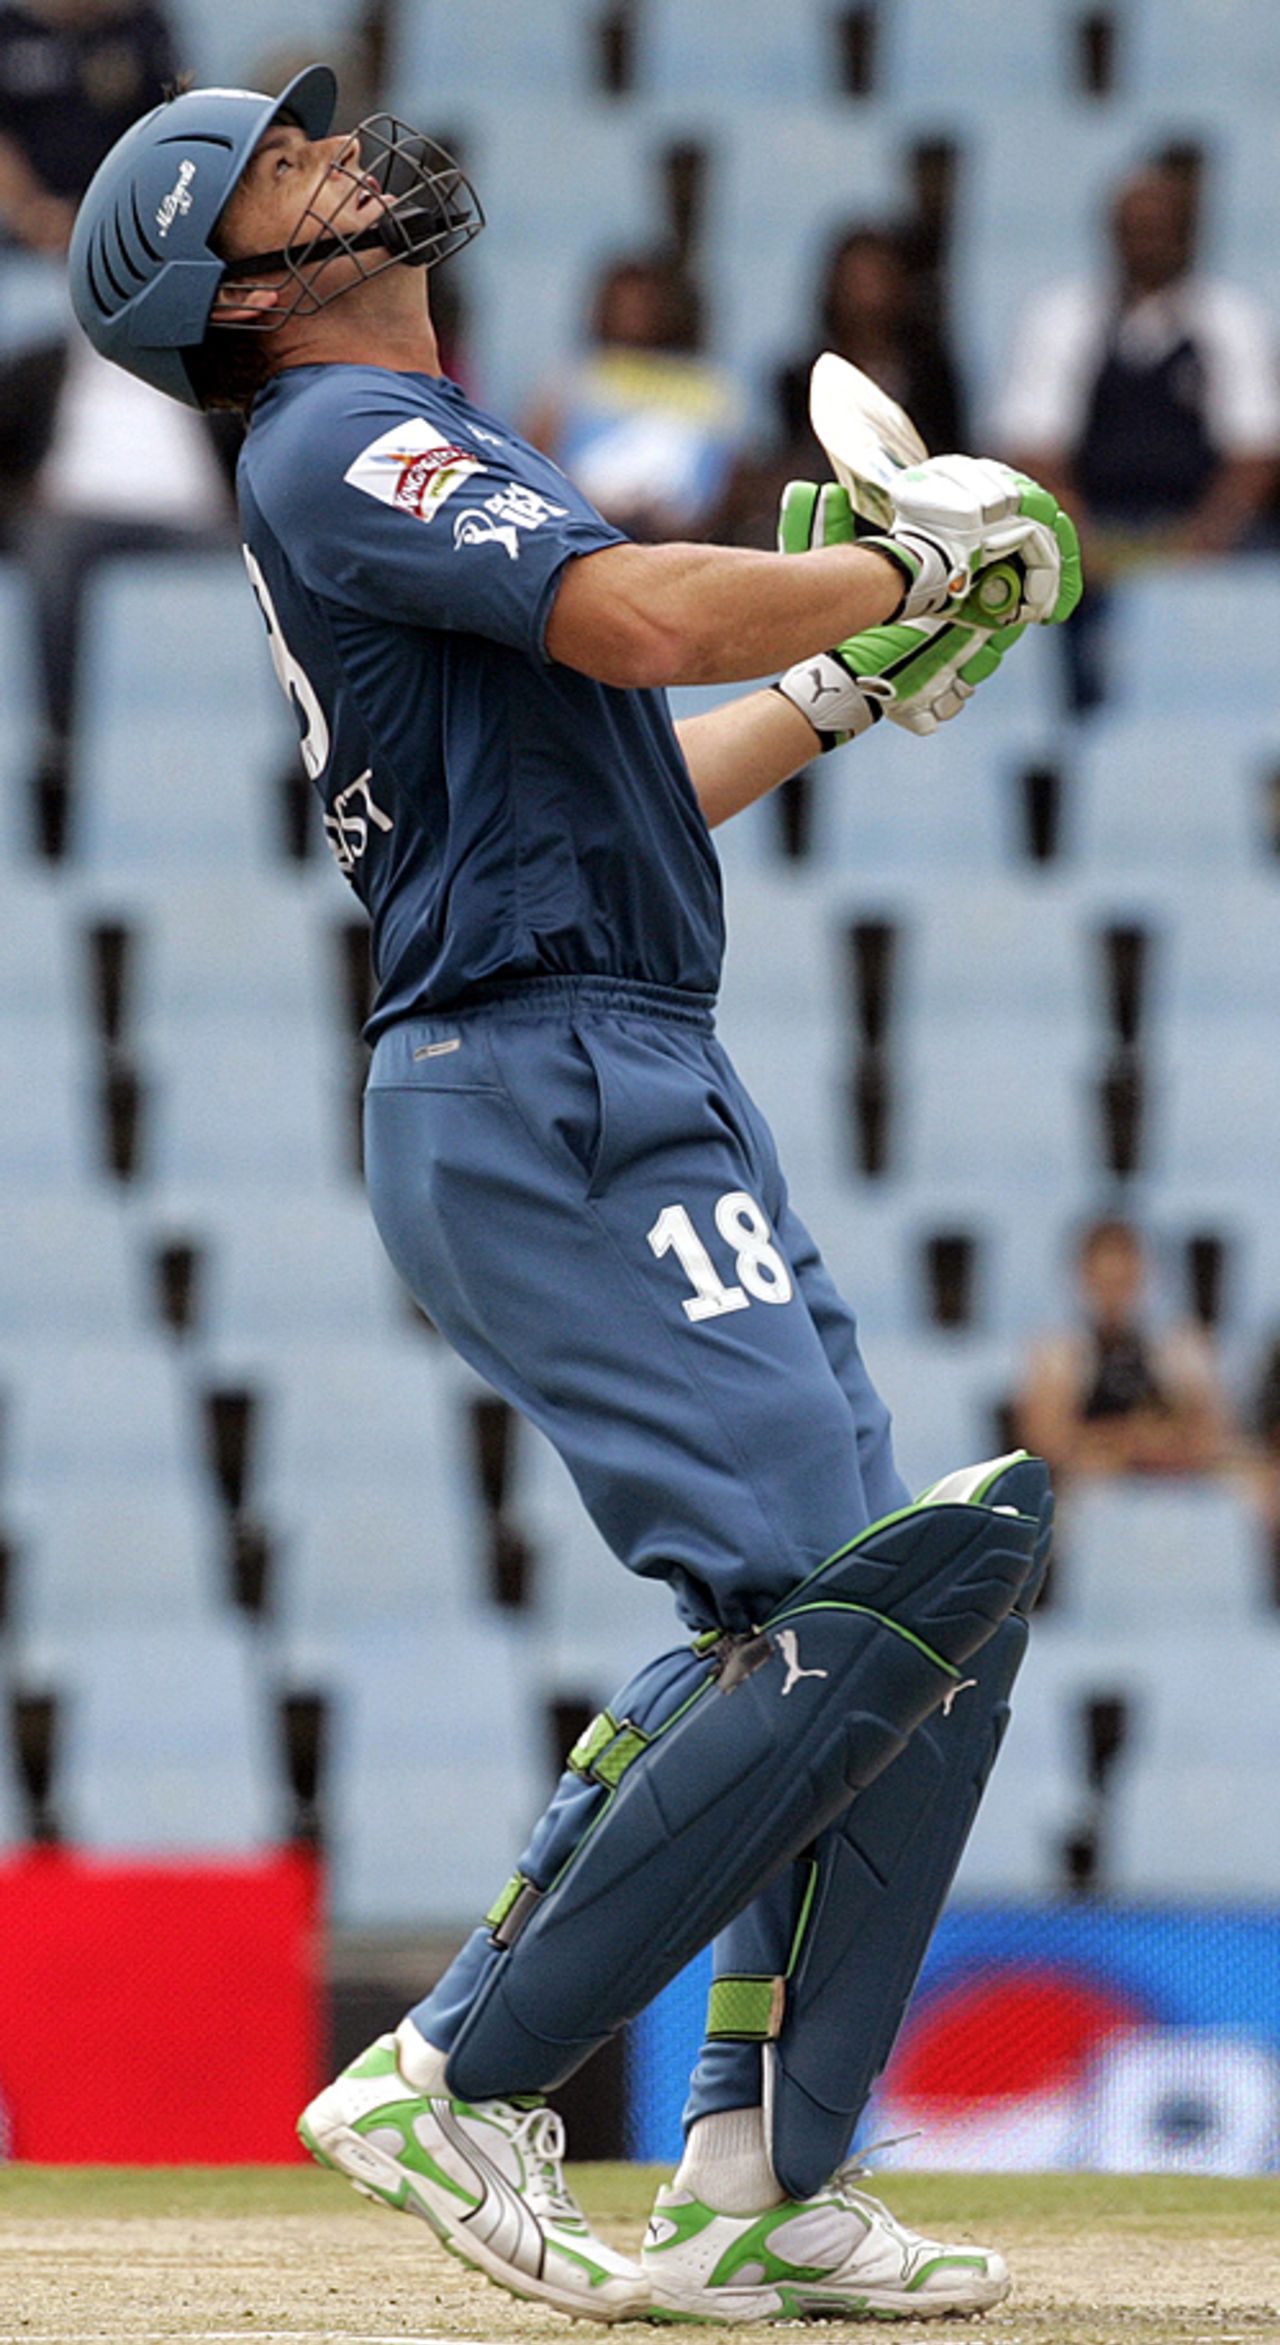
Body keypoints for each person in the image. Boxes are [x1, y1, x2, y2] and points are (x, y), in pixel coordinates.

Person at [69, 67, 1079, 2326]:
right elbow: (634, 625)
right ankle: (456, 2067)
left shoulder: (412, 454)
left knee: (918, 1603)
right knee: (846, 1598)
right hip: (541, 1093)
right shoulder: (336, 440)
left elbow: (626, 779)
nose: (337, 160)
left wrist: (835, 670)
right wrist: (900, 553)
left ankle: (754, 2168)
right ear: (225, 293)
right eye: (279, 175)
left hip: (609, 1051)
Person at [996, 159, 1280, 710]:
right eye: (1134, 230)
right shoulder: (1060, 316)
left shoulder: (1232, 318)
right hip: (1090, 526)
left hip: (1202, 528)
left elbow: (1255, 453)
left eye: (1161, 229)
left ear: (1191, 234)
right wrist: (1078, 534)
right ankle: (1076, 709)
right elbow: (1031, 445)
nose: (1146, 243)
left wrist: (1203, 538)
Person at [522, 248, 747, 543]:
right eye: (622, 303)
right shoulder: (572, 379)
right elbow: (534, 463)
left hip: (681, 549)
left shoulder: (709, 387)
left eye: (645, 303)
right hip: (584, 541)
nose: (633, 314)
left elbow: (732, 479)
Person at [1013, 1217, 1235, 1482]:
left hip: (1172, 1487)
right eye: (1105, 1282)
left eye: (1125, 1281)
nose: (1114, 1296)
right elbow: (1048, 1444)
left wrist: (1120, 1444)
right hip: (1087, 1493)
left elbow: (1212, 1437)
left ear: (1146, 1275)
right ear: (1083, 1277)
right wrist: (1136, 1439)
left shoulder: (1180, 1347)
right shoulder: (1057, 1352)